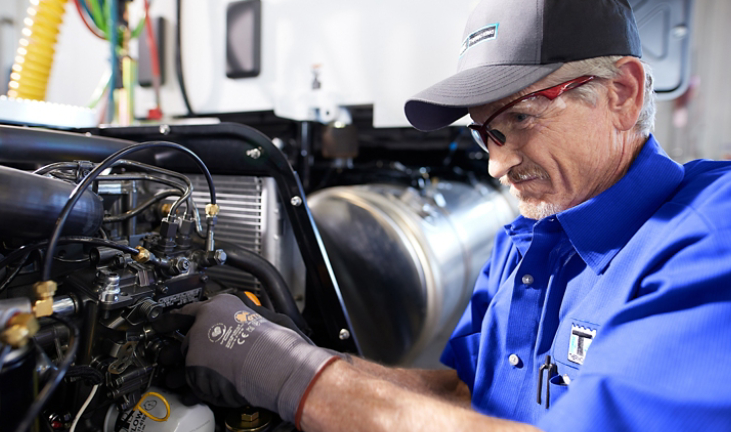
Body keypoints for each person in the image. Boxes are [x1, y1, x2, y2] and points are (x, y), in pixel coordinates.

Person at [178, 0, 731, 430]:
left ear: (623, 95)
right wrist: (297, 352)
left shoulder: (707, 238)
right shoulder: (528, 237)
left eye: (520, 117)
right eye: (485, 132)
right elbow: (464, 394)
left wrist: (289, 376)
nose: (497, 166)